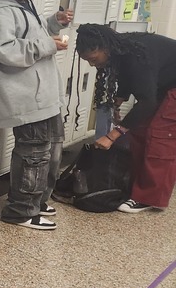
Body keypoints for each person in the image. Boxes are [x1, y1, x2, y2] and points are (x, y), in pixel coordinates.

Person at [0, 0, 73, 230]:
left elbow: (34, 33)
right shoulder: (0, 11)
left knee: (51, 149)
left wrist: (54, 23)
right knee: (33, 153)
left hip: (44, 94)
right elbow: (1, 49)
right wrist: (47, 45)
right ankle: (20, 210)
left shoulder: (26, 5)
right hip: (24, 97)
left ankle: (37, 200)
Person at [75, 23, 176, 213]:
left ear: (104, 47)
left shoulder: (137, 55)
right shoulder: (120, 50)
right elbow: (130, 78)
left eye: (93, 59)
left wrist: (113, 135)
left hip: (170, 88)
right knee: (139, 132)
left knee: (160, 137)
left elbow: (147, 102)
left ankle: (149, 198)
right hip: (166, 85)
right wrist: (118, 100)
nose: (92, 64)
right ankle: (137, 186)